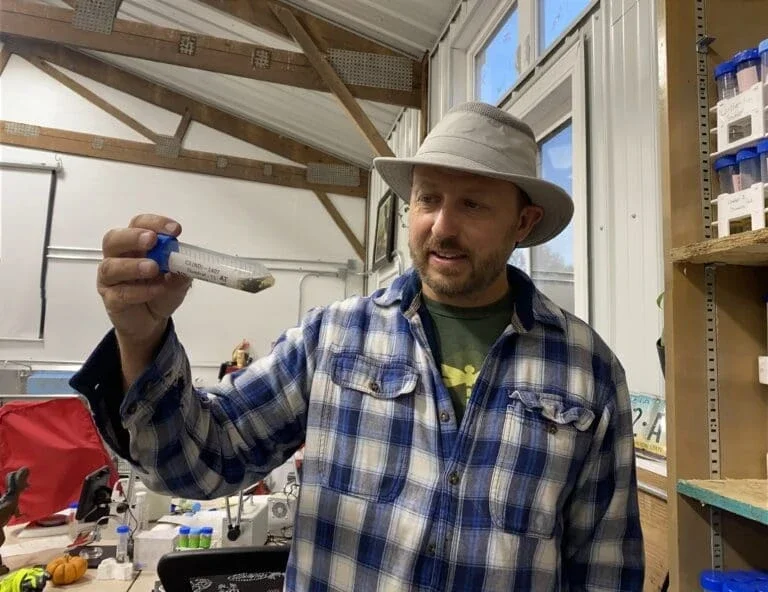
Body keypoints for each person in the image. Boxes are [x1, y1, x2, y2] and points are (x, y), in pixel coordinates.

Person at [71, 102, 644, 591]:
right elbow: (200, 464)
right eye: (428, 199)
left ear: (523, 222)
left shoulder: (586, 370)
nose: (441, 227)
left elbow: (605, 569)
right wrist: (140, 337)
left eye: (473, 204)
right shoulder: (334, 337)